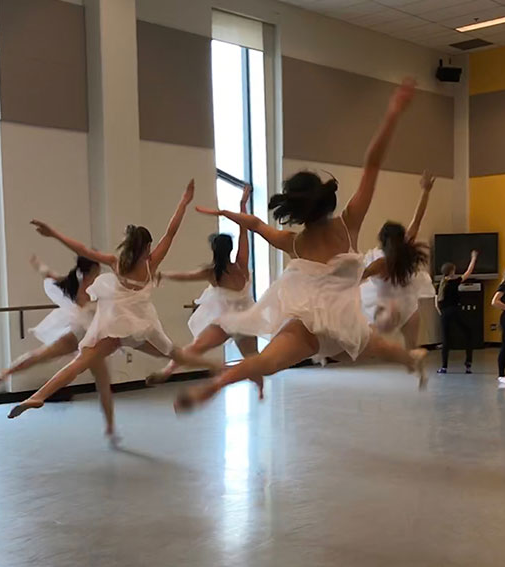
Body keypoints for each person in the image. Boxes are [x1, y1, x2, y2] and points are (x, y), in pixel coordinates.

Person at [173, 78, 428, 412]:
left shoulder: (294, 242)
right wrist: (392, 114)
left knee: (267, 361)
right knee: (382, 347)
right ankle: (411, 357)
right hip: (338, 325)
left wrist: (225, 212)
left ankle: (215, 386)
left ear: (295, 210)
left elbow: (256, 224)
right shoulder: (348, 224)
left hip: (315, 325)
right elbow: (372, 164)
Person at [5, 179, 222, 420]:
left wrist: (54, 233)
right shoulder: (151, 263)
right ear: (148, 246)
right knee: (173, 352)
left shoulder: (117, 262)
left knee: (79, 363)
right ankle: (213, 367)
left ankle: (38, 396)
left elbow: (82, 250)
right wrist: (184, 201)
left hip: (113, 326)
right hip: (141, 326)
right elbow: (171, 232)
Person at [0, 255, 119, 441]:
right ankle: (110, 427)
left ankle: (4, 374)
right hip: (84, 338)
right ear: (89, 272)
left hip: (84, 336)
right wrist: (39, 264)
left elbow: (47, 273)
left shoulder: (81, 286)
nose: (98, 275)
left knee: (42, 356)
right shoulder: (78, 286)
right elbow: (48, 274)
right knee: (101, 382)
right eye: (96, 271)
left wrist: (38, 263)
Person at [147, 183, 257, 385]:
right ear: (230, 249)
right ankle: (258, 389)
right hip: (245, 319)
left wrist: (163, 275)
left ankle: (168, 370)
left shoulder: (212, 272)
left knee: (196, 347)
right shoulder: (241, 264)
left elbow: (185, 276)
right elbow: (244, 230)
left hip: (226, 320)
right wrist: (242, 204)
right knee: (254, 360)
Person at [360, 171, 436, 349]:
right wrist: (426, 190)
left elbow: (358, 277)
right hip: (409, 307)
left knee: (373, 333)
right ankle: (416, 368)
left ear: (382, 239)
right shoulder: (406, 248)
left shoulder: (379, 262)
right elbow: (417, 219)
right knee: (412, 349)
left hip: (387, 309)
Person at [436, 250, 479, 374]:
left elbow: (437, 303)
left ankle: (444, 367)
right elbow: (468, 272)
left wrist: (442, 313)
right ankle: (468, 364)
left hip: (444, 313)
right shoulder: (454, 282)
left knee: (446, 340)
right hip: (455, 311)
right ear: (452, 271)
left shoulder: (440, 284)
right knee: (468, 333)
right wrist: (473, 258)